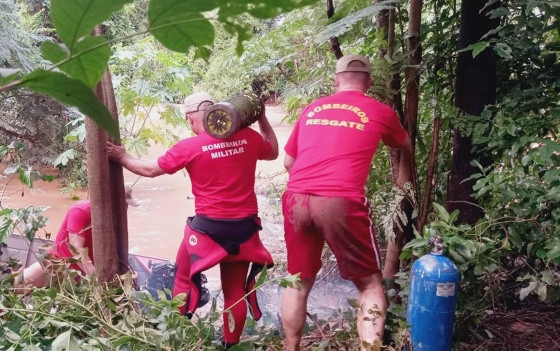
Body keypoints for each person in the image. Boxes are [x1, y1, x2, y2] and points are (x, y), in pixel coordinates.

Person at [106, 91, 279, 348]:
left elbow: (150, 170)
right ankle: (231, 346)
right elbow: (274, 151)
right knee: (235, 292)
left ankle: (178, 340)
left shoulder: (190, 146)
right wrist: (262, 119)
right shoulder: (248, 137)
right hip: (244, 230)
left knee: (183, 280)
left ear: (190, 119)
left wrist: (121, 157)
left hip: (208, 230)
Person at [280, 54, 412, 350]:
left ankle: (291, 348)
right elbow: (403, 144)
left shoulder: (312, 109)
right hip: (340, 199)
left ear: (335, 80)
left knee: (298, 282)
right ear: (370, 82)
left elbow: (288, 162)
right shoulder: (379, 110)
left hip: (296, 196)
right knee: (370, 285)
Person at [16, 187, 138, 289]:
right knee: (15, 287)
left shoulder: (115, 221)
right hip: (58, 264)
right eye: (122, 205)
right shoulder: (80, 210)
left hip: (82, 275)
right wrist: (97, 281)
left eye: (126, 206)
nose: (125, 209)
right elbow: (77, 251)